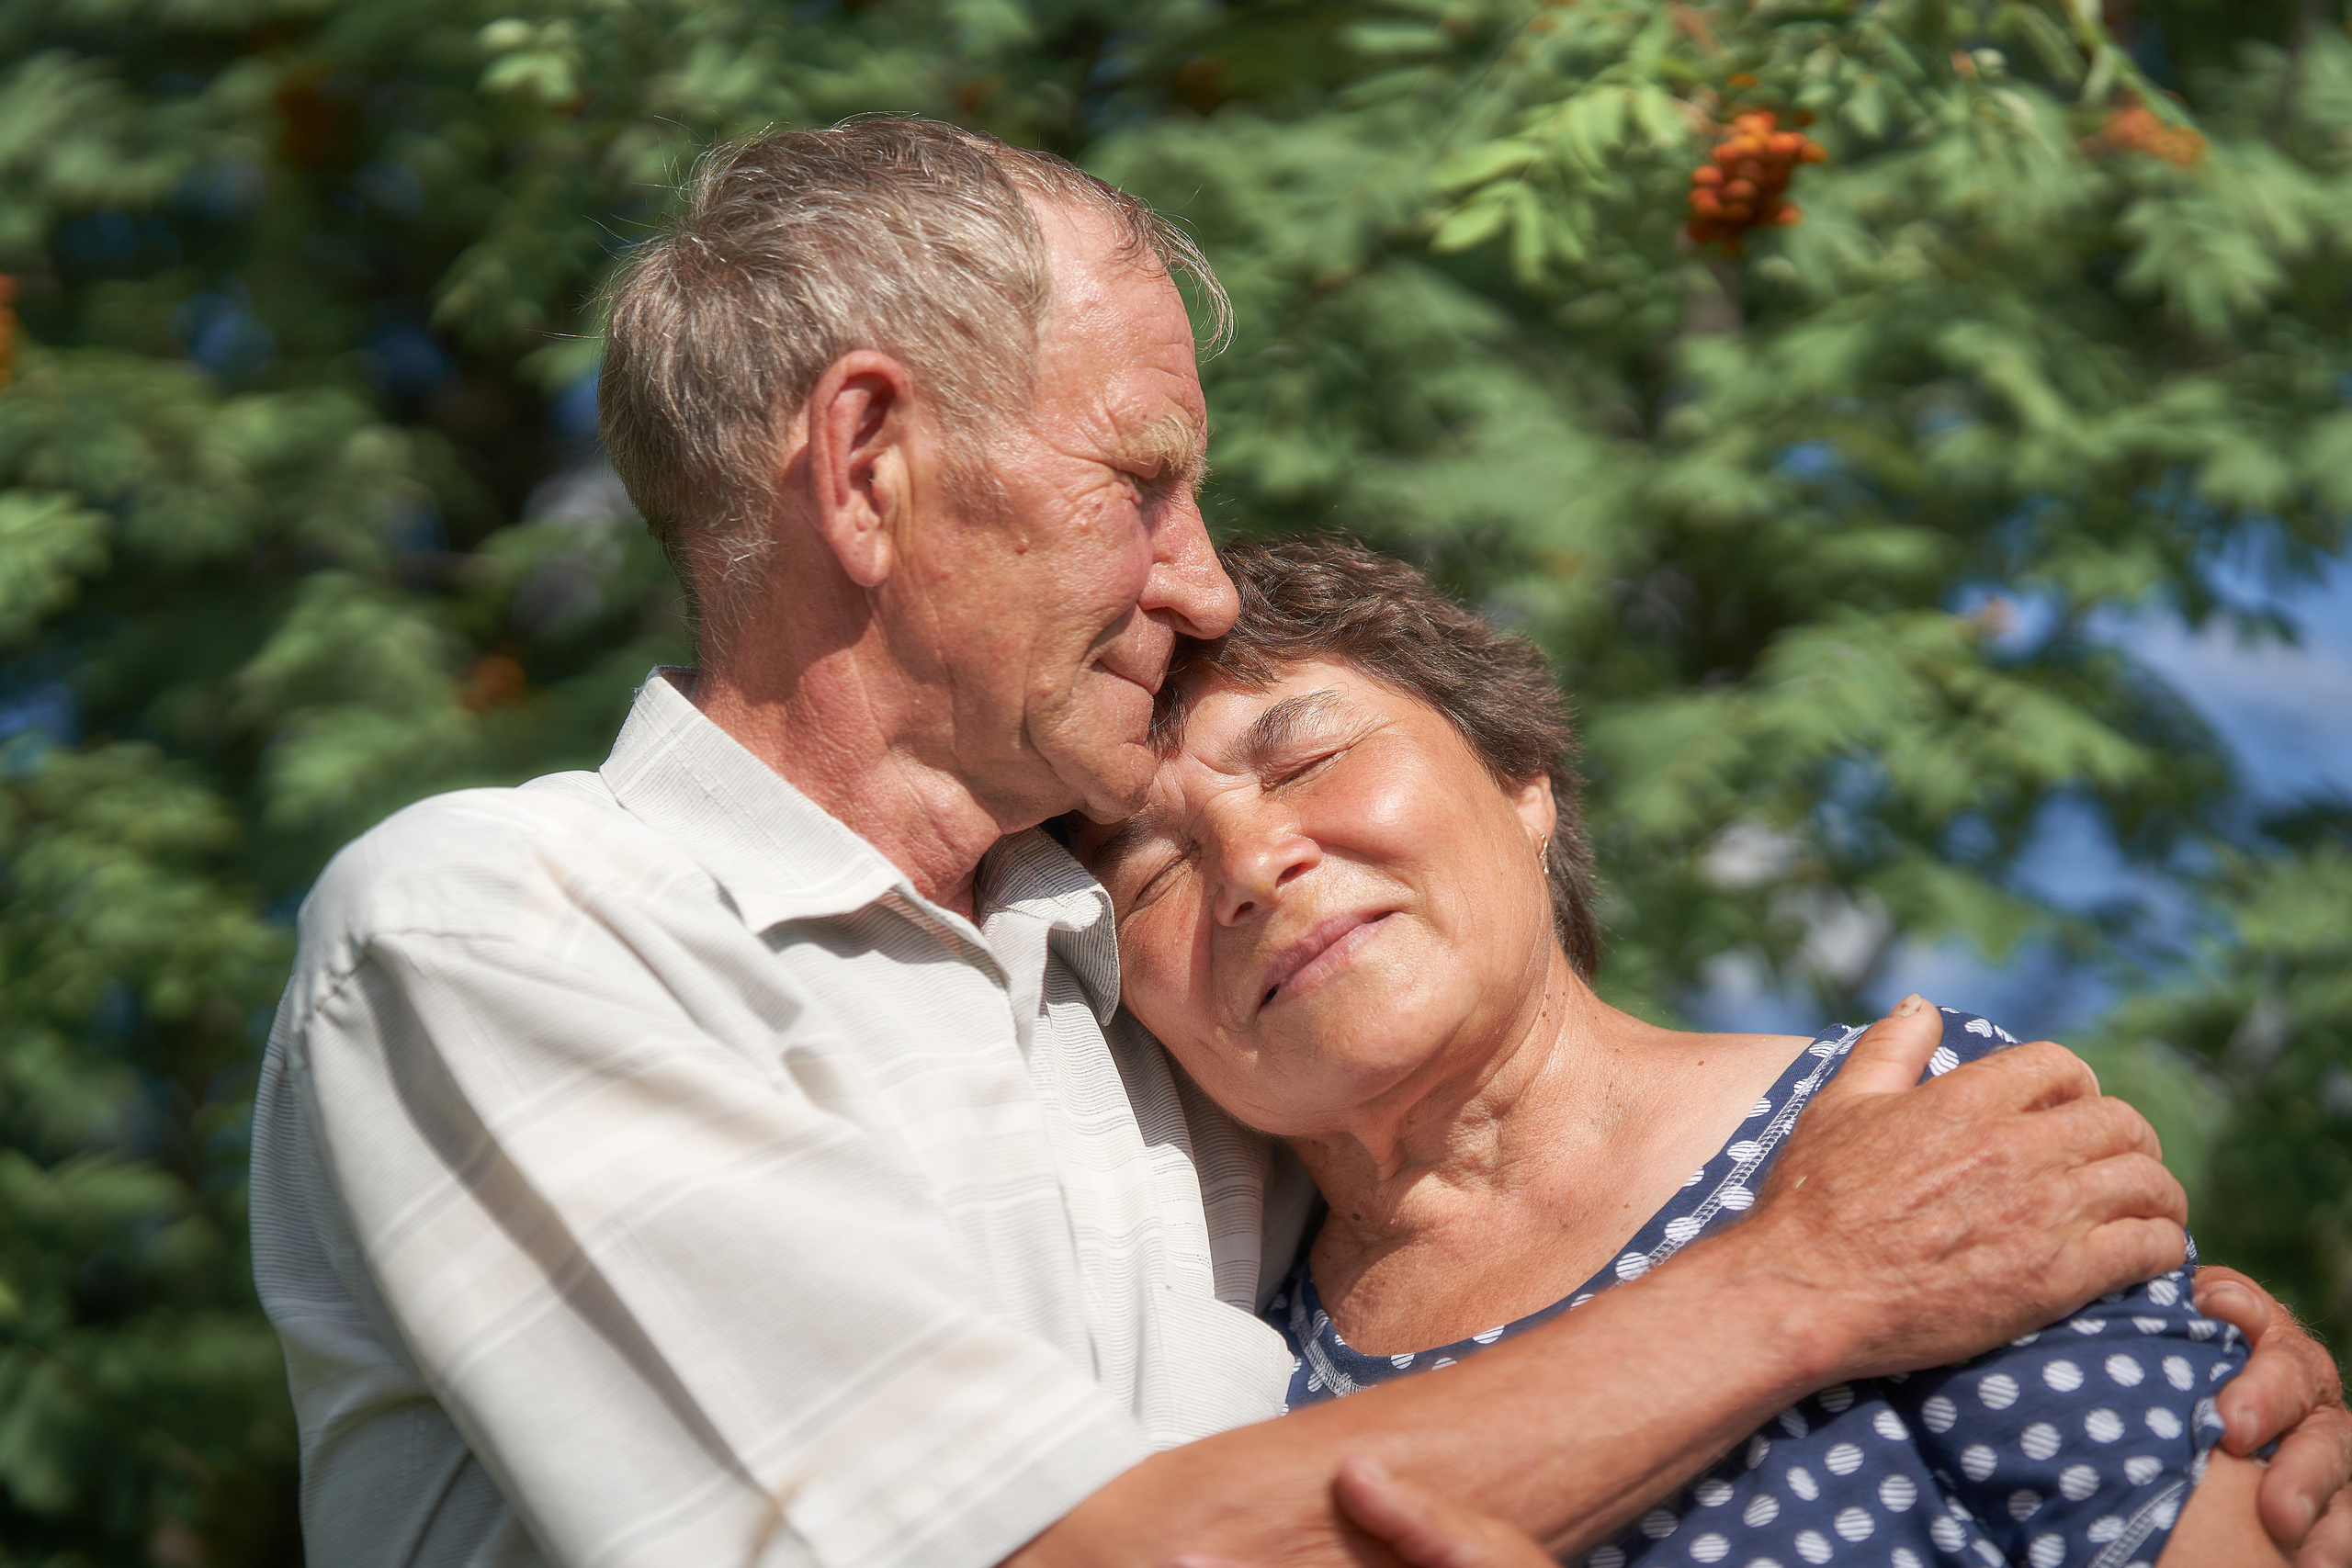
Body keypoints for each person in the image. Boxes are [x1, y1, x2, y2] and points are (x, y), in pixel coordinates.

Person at [245, 117, 2350, 1568]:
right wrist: (1816, 1283)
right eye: (1140, 478)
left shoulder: (1120, 987)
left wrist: (2151, 1362)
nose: (1191, 576)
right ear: (869, 462)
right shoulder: (510, 925)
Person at [1075, 535, 2338, 1568]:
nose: (1250, 865)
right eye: (1150, 874)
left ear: (1522, 781)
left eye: (1311, 757)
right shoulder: (1229, 1377)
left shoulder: (1909, 1129)